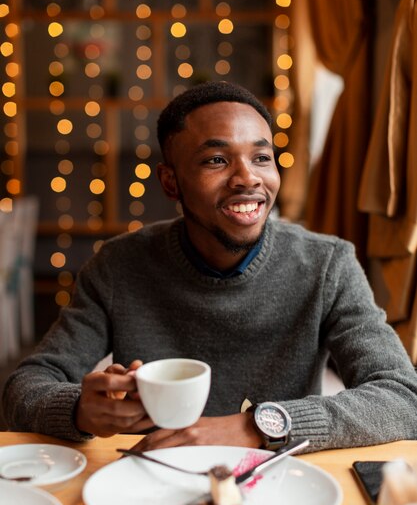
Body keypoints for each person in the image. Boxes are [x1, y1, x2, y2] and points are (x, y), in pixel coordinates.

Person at [3, 81, 417, 453]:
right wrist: (80, 410)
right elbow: (24, 388)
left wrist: (260, 425)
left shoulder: (328, 264)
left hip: (280, 484)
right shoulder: (117, 266)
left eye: (261, 157)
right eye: (217, 160)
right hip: (152, 482)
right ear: (170, 182)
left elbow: (403, 398)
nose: (247, 178)